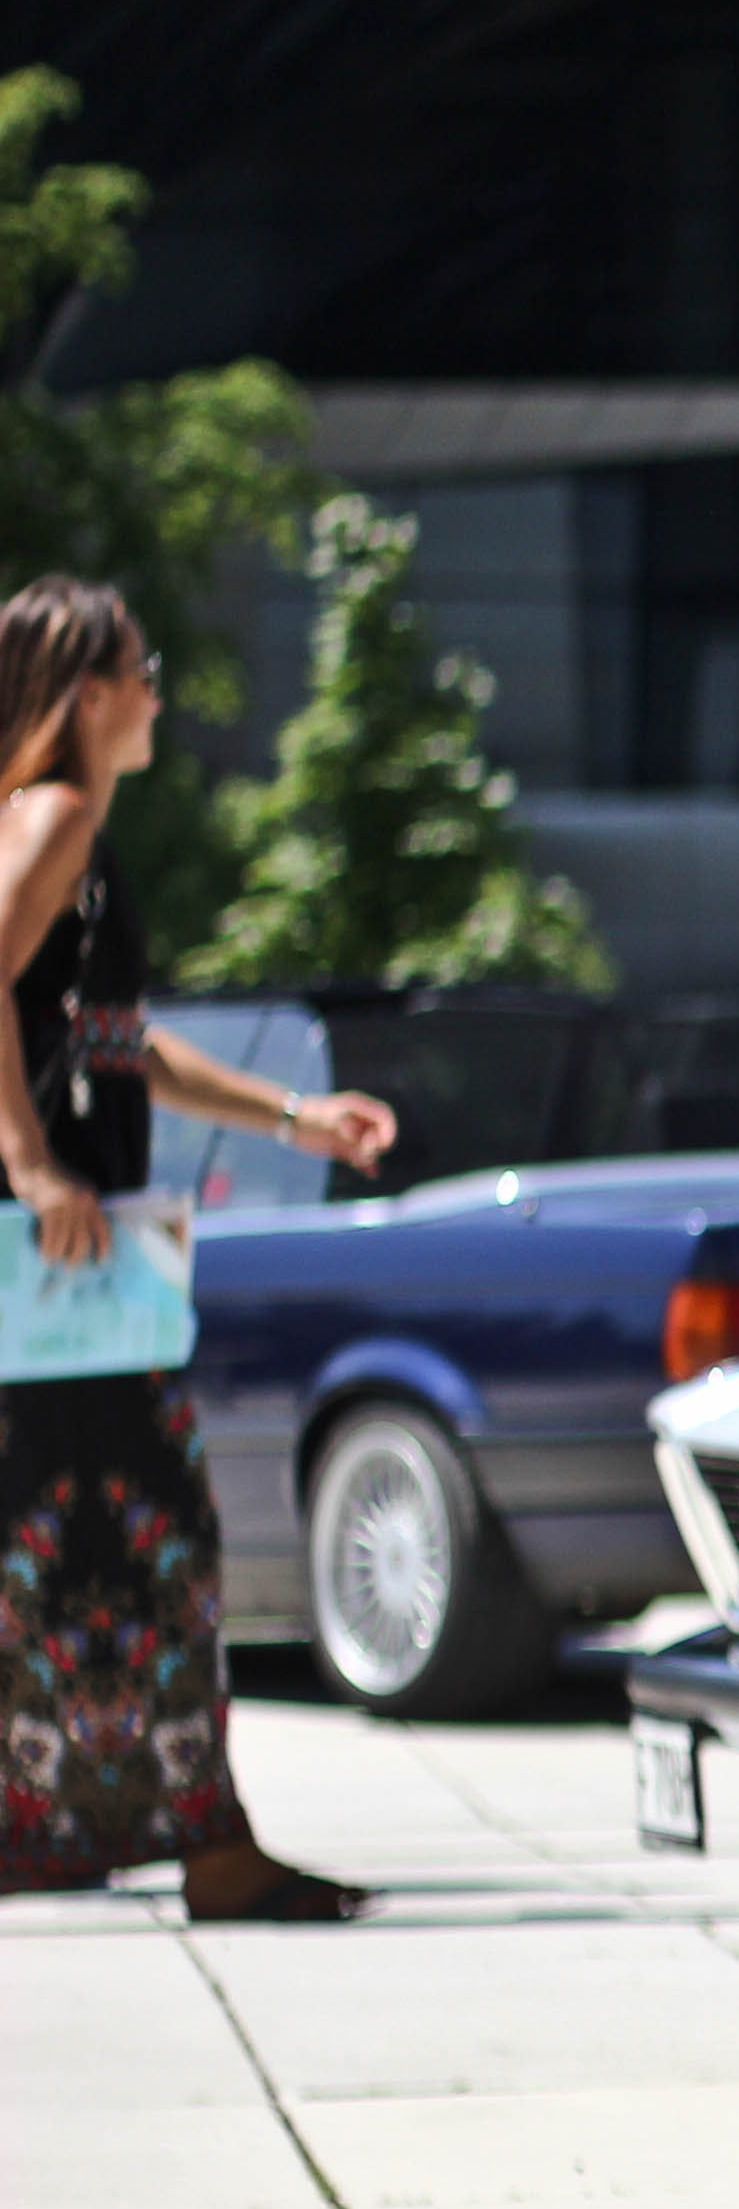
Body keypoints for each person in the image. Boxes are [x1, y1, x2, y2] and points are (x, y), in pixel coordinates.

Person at [0, 576, 402, 1917]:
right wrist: (26, 1159)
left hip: (81, 1269)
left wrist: (295, 1114)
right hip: (55, 1264)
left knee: (87, 1559)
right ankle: (210, 1849)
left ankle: (178, 1839)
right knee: (150, 1542)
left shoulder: (75, 835)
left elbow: (121, 1049)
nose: (160, 692)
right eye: (143, 667)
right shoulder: (50, 815)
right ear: (86, 695)